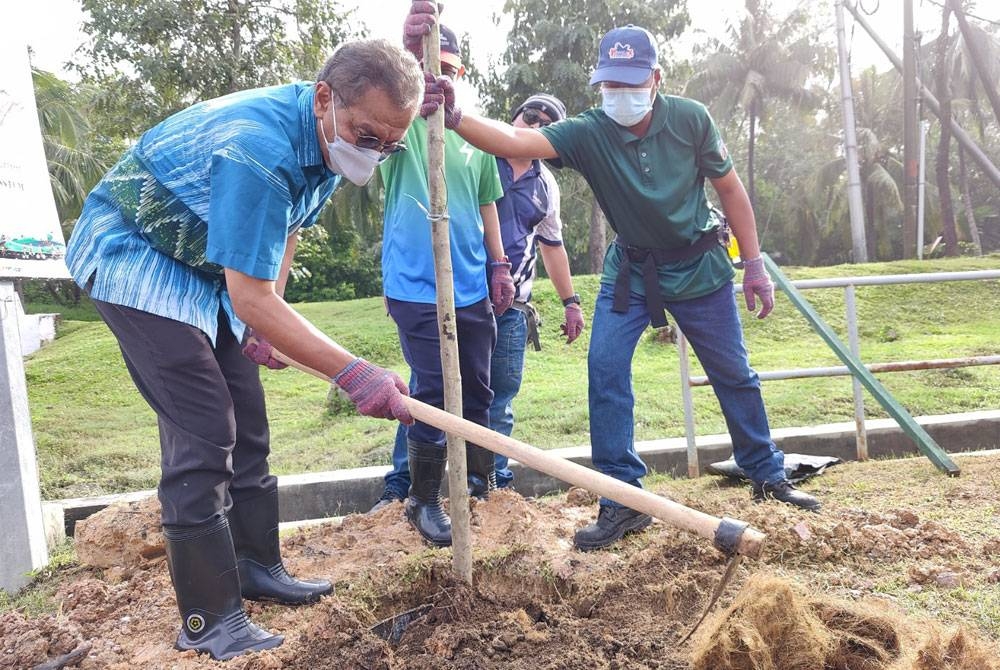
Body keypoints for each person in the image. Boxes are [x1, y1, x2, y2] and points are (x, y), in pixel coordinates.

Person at [65, 39, 421, 660]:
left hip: (203, 268)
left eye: (391, 144)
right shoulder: (257, 148)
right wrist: (352, 373)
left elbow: (283, 233)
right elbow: (250, 295)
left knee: (247, 416)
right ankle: (208, 619)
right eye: (368, 135)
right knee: (203, 427)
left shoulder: (330, 144)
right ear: (324, 99)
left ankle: (257, 566)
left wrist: (264, 323)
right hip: (132, 252)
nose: (376, 153)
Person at [414, 13, 822, 552]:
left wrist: (753, 264)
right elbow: (514, 137)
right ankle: (621, 501)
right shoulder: (589, 131)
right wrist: (455, 112)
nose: (619, 94)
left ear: (655, 80)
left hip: (699, 267)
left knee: (733, 372)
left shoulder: (691, 120)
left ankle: (766, 473)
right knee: (605, 371)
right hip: (630, 272)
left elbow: (731, 191)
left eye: (630, 85)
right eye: (609, 84)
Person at [376, 24, 512, 548]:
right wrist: (411, 100)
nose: (437, 77)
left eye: (448, 69)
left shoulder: (473, 135)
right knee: (433, 390)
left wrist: (499, 264)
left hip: (471, 285)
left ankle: (479, 484)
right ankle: (423, 497)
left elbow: (487, 203)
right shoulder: (398, 126)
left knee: (478, 388)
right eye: (425, 67)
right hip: (415, 284)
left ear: (461, 74)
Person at [490, 93, 585, 487]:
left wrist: (571, 302)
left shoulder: (546, 185)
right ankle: (404, 486)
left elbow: (553, 246)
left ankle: (490, 481)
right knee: (431, 392)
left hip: (512, 307)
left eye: (548, 124)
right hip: (458, 300)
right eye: (531, 116)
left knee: (500, 399)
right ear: (514, 116)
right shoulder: (477, 157)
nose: (535, 125)